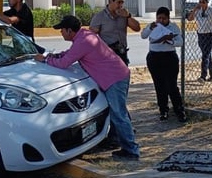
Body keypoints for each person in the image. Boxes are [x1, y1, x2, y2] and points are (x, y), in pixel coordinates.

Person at [35, 15, 140, 160]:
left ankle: (131, 151)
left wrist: (46, 59)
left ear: (69, 30)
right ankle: (123, 144)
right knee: (118, 112)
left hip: (114, 79)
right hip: (117, 75)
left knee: (119, 115)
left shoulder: (82, 41)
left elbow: (65, 63)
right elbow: (70, 54)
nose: (61, 33)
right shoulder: (84, 36)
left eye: (62, 30)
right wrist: (55, 55)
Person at [141, 7, 187, 122]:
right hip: (154, 57)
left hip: (169, 57)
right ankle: (163, 110)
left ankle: (179, 110)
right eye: (159, 18)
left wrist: (170, 41)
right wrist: (150, 28)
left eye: (164, 18)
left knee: (171, 85)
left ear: (168, 18)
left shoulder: (173, 27)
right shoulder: (153, 26)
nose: (161, 20)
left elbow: (180, 42)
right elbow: (143, 35)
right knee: (159, 85)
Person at [90, 0, 140, 65]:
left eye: (122, 2)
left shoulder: (124, 15)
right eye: (118, 2)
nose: (120, 5)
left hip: (122, 53)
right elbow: (91, 36)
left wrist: (128, 16)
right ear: (111, 1)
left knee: (123, 75)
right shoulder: (100, 16)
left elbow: (137, 28)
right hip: (107, 54)